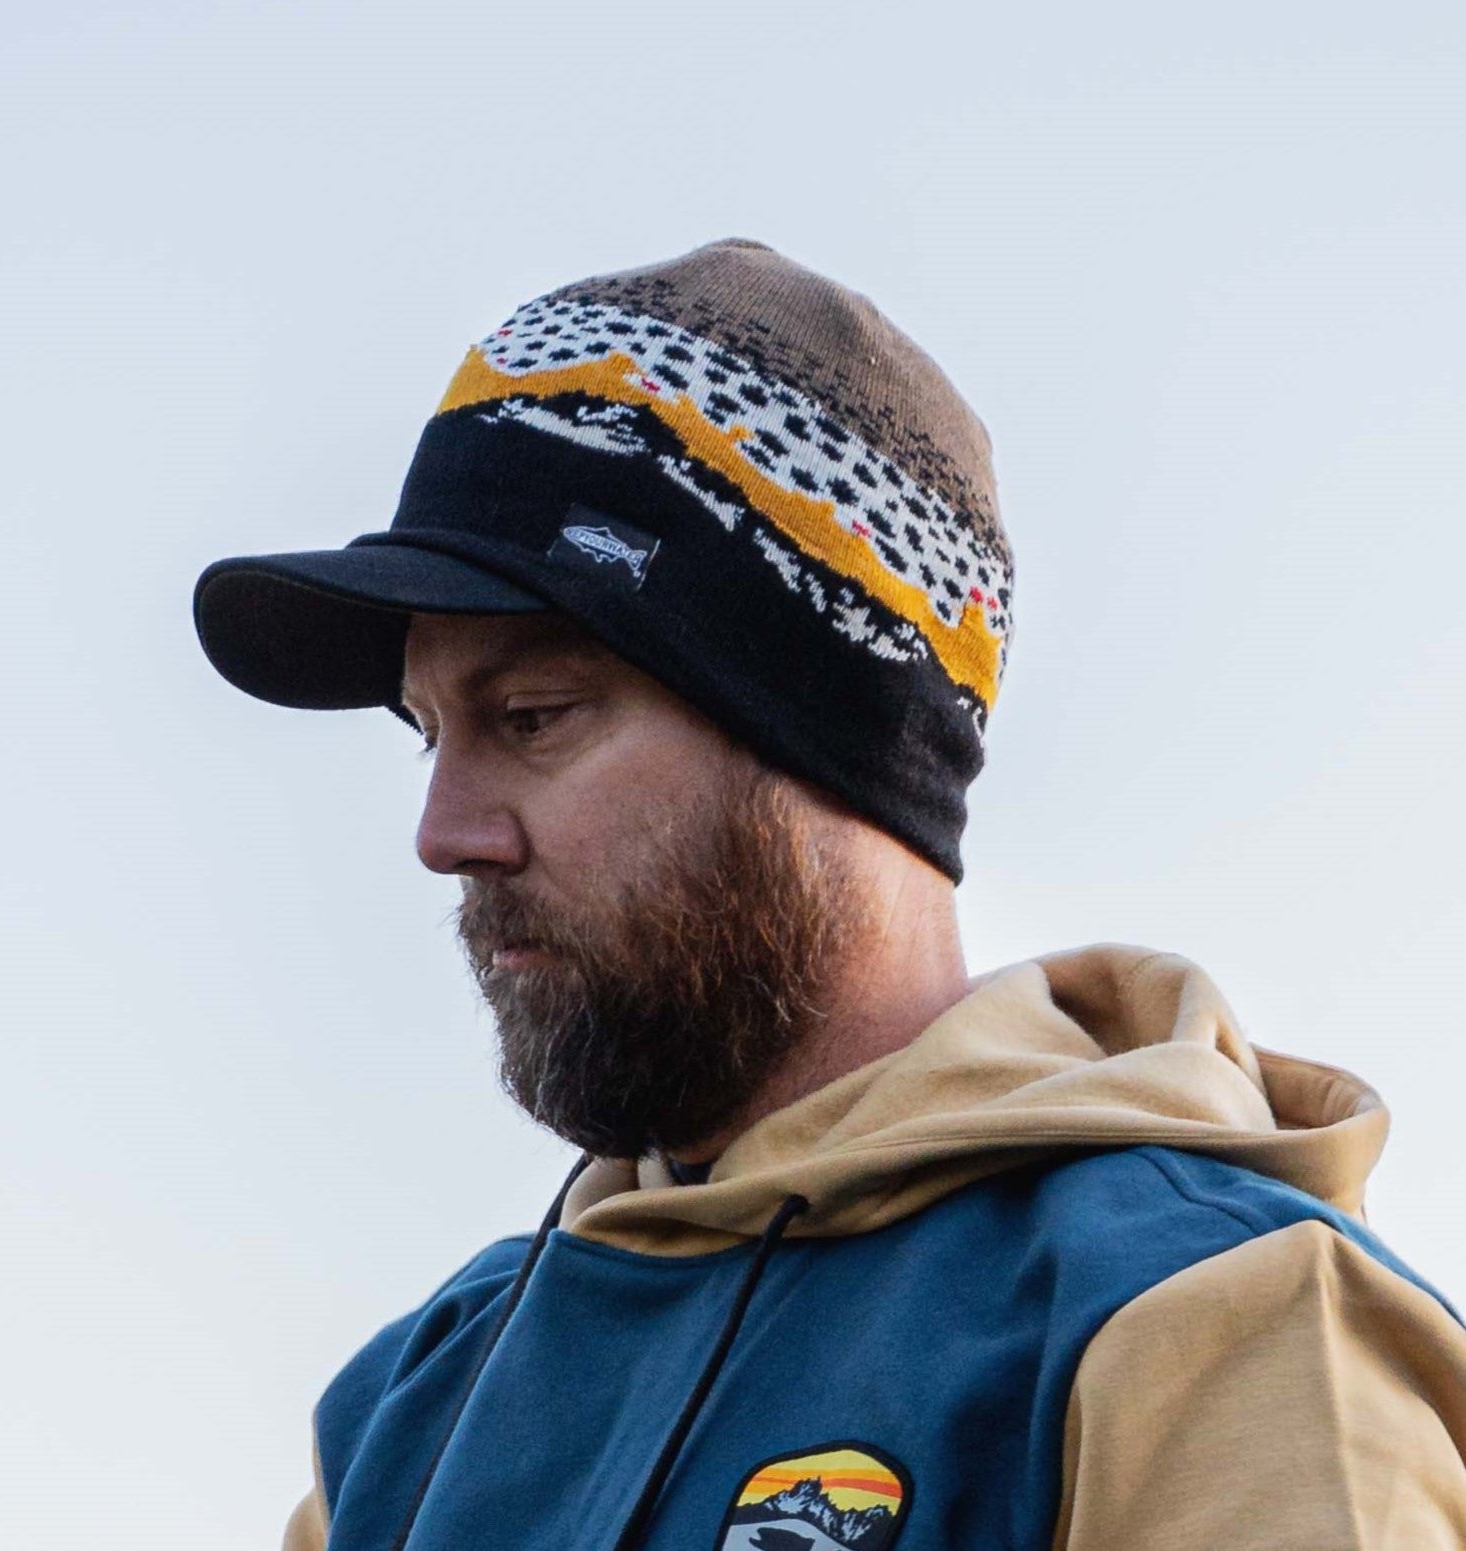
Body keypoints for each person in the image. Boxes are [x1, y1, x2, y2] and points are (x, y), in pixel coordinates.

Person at [194, 239, 1466, 1551]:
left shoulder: (1214, 1317)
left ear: (821, 732)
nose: (442, 833)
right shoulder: (413, 1419)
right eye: (427, 732)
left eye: (533, 716)